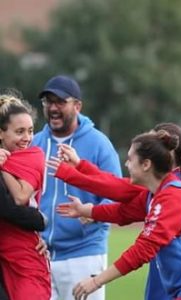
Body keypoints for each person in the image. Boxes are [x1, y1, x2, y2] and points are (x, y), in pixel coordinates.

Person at [49, 130, 181, 299]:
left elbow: (143, 249)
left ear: (146, 164)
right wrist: (86, 211)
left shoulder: (173, 197)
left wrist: (96, 281)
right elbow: (122, 212)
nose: (126, 164)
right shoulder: (154, 194)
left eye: (130, 159)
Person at [32, 75, 122, 300]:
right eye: (48, 102)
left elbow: (118, 194)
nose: (53, 108)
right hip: (39, 254)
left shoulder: (99, 144)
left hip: (84, 254)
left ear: (77, 105)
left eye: (60, 102)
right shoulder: (34, 143)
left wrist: (93, 213)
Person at [0, 93, 51, 299]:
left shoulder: (32, 156)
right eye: (19, 132)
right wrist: (41, 221)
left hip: (23, 253)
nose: (27, 138)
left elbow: (19, 201)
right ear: (1, 133)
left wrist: (41, 222)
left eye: (30, 131)